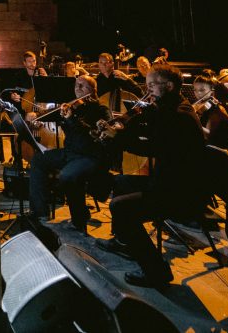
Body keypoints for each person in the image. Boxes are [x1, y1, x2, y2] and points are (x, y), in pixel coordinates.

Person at [102, 63, 207, 287]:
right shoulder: (168, 108)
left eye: (152, 85)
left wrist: (118, 138)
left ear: (169, 86)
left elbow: (154, 147)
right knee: (120, 181)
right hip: (167, 180)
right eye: (146, 85)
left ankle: (156, 272)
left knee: (120, 207)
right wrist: (124, 126)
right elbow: (148, 130)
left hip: (181, 190)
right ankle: (124, 241)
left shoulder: (179, 115)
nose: (147, 90)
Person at [29, 75, 111, 234]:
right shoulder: (73, 107)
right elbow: (50, 115)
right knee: (39, 159)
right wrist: (37, 116)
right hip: (70, 153)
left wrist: (72, 119)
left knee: (68, 175)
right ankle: (40, 213)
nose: (77, 89)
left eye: (82, 86)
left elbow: (93, 136)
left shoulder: (101, 110)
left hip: (89, 156)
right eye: (76, 85)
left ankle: (79, 220)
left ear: (93, 90)